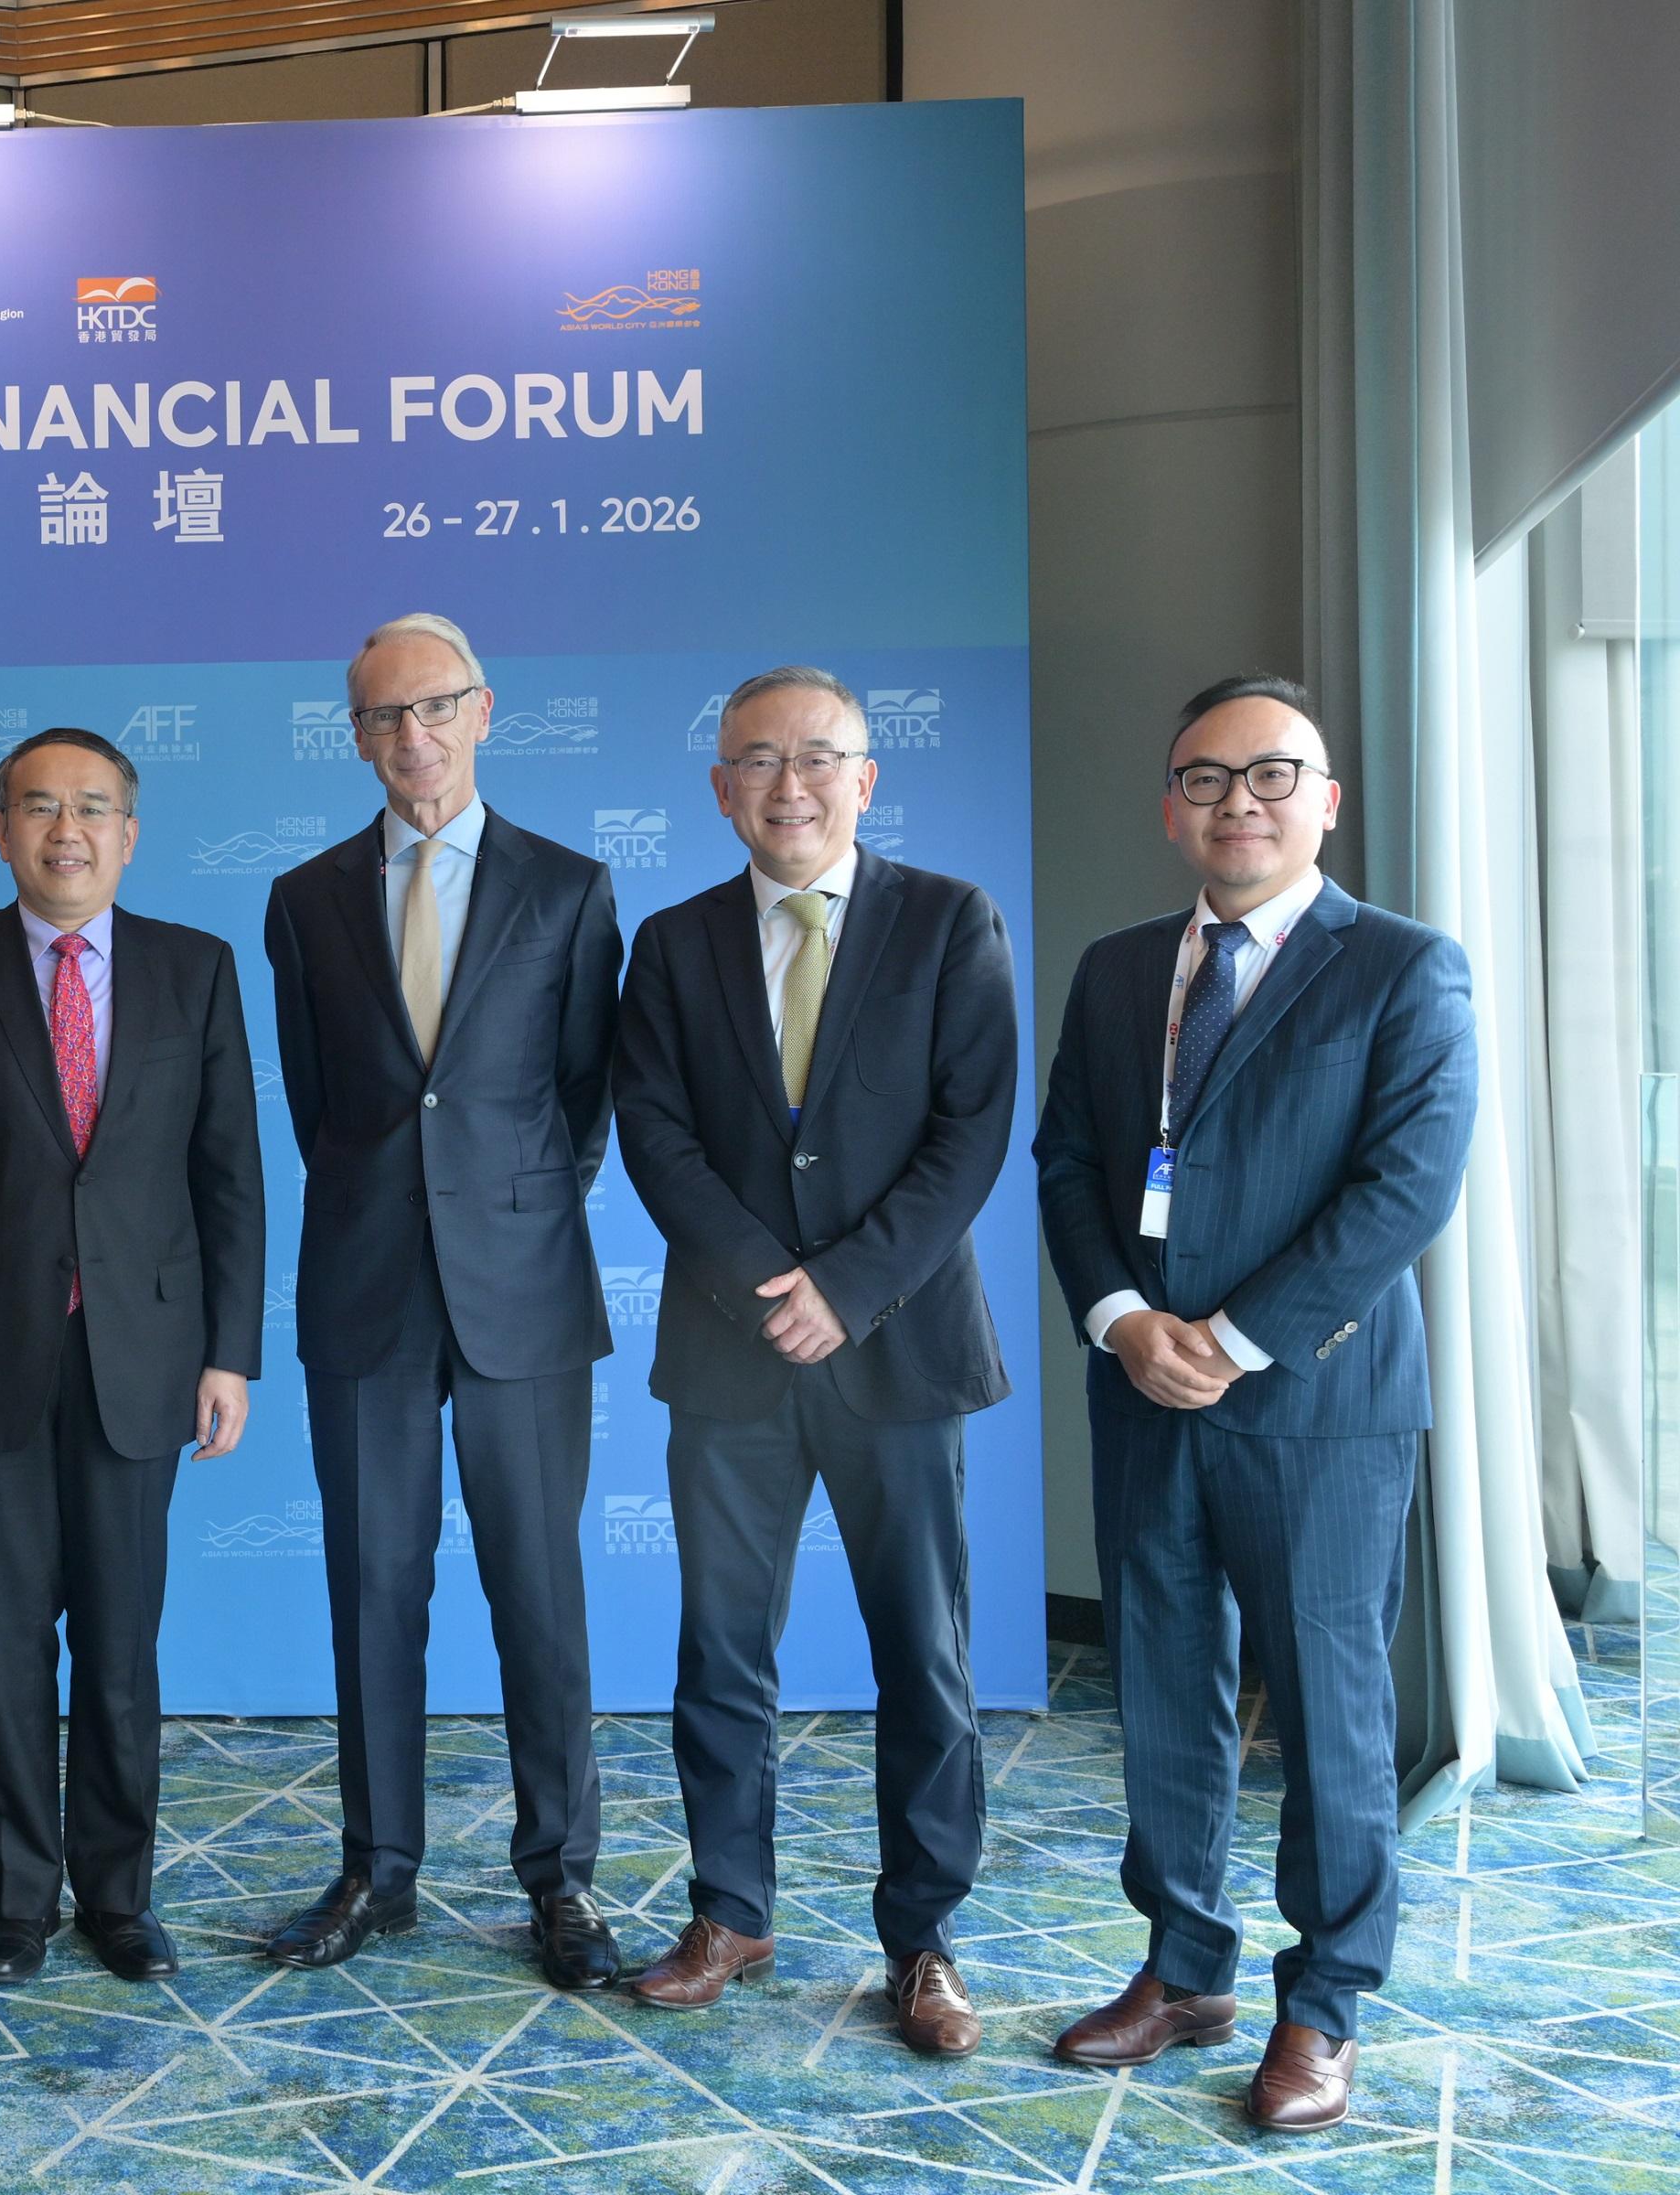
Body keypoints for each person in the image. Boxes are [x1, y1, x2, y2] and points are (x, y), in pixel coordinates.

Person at [1033, 674, 1474, 2131]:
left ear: (1327, 801)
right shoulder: (1112, 971)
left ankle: (1325, 2001)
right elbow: (1070, 1163)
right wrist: (1119, 1319)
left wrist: (1230, 1335)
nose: (1241, 804)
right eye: (1208, 780)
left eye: (1273, 777)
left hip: (1321, 1408)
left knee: (1333, 1712)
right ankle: (1183, 1966)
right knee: (1161, 1692)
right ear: (1171, 807)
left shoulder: (1405, 967)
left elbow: (1403, 1193)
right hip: (1144, 1389)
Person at [610, 665, 1017, 2053]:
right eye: (758, 762)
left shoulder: (949, 922)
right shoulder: (670, 945)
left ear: (866, 776)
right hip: (729, 1361)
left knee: (925, 1652)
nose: (790, 786)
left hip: (897, 1350)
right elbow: (653, 1134)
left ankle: (924, 1938)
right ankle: (730, 1906)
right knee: (723, 1650)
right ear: (720, 786)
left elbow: (971, 1134)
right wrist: (757, 1286)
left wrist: (844, 1288)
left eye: (818, 759)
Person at [256, 612, 627, 1993]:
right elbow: (320, 1104)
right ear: (353, 734)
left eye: (434, 709)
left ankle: (562, 1881)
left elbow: (581, 1100)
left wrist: (498, 1206)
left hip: (522, 1288)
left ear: (484, 712)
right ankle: (378, 1868)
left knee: (540, 1590)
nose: (409, 738)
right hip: (362, 1283)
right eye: (380, 718)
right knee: (372, 1590)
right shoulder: (302, 898)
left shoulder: (570, 887)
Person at [0, 726, 265, 1985]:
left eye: (93, 807)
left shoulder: (195, 970)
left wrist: (231, 1353)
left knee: (123, 1648)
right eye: (39, 807)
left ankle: (119, 1896)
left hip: (145, 1363)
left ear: (130, 833)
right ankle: (19, 1902)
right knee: (1, 1646)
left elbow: (230, 1176)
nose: (67, 831)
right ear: (1, 831)